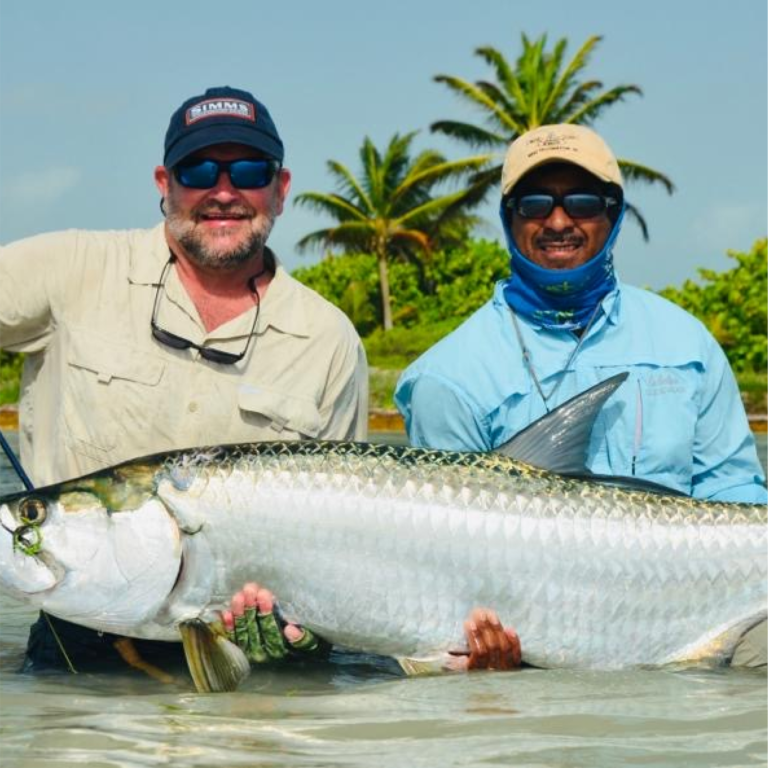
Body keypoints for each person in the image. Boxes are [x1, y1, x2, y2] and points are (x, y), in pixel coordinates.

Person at [0, 85, 368, 674]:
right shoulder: (70, 270)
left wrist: (312, 631)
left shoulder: (329, 339)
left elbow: (350, 537)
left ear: (281, 187)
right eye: (198, 169)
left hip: (262, 663)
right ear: (163, 184)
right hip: (78, 652)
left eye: (248, 170)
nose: (223, 192)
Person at [395, 123, 768, 668]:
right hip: (532, 649)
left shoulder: (686, 342)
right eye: (536, 203)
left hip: (698, 613)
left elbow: (734, 490)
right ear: (508, 219)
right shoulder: (445, 377)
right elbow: (445, 564)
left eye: (584, 202)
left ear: (613, 214)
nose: (559, 221)